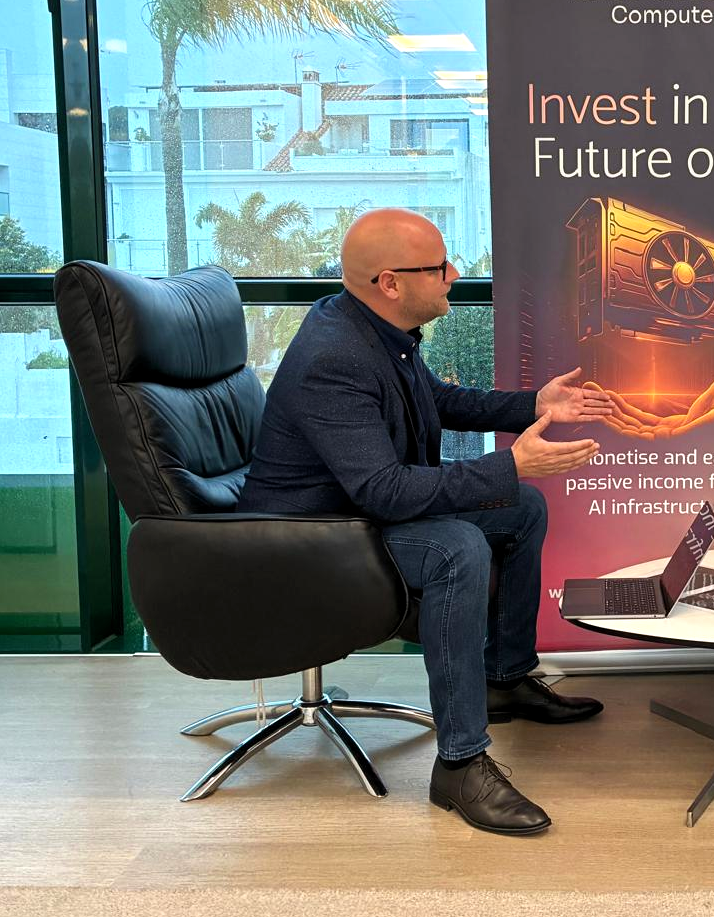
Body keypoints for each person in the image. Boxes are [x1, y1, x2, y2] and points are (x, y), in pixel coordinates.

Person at [237, 207, 613, 836]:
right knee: (455, 547)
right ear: (390, 283)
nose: (454, 275)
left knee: (521, 509)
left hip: (355, 510)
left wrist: (533, 404)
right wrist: (509, 464)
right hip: (312, 537)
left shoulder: (376, 330)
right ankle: (460, 763)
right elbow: (383, 490)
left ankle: (504, 679)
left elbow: (436, 401)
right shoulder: (335, 357)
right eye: (439, 267)